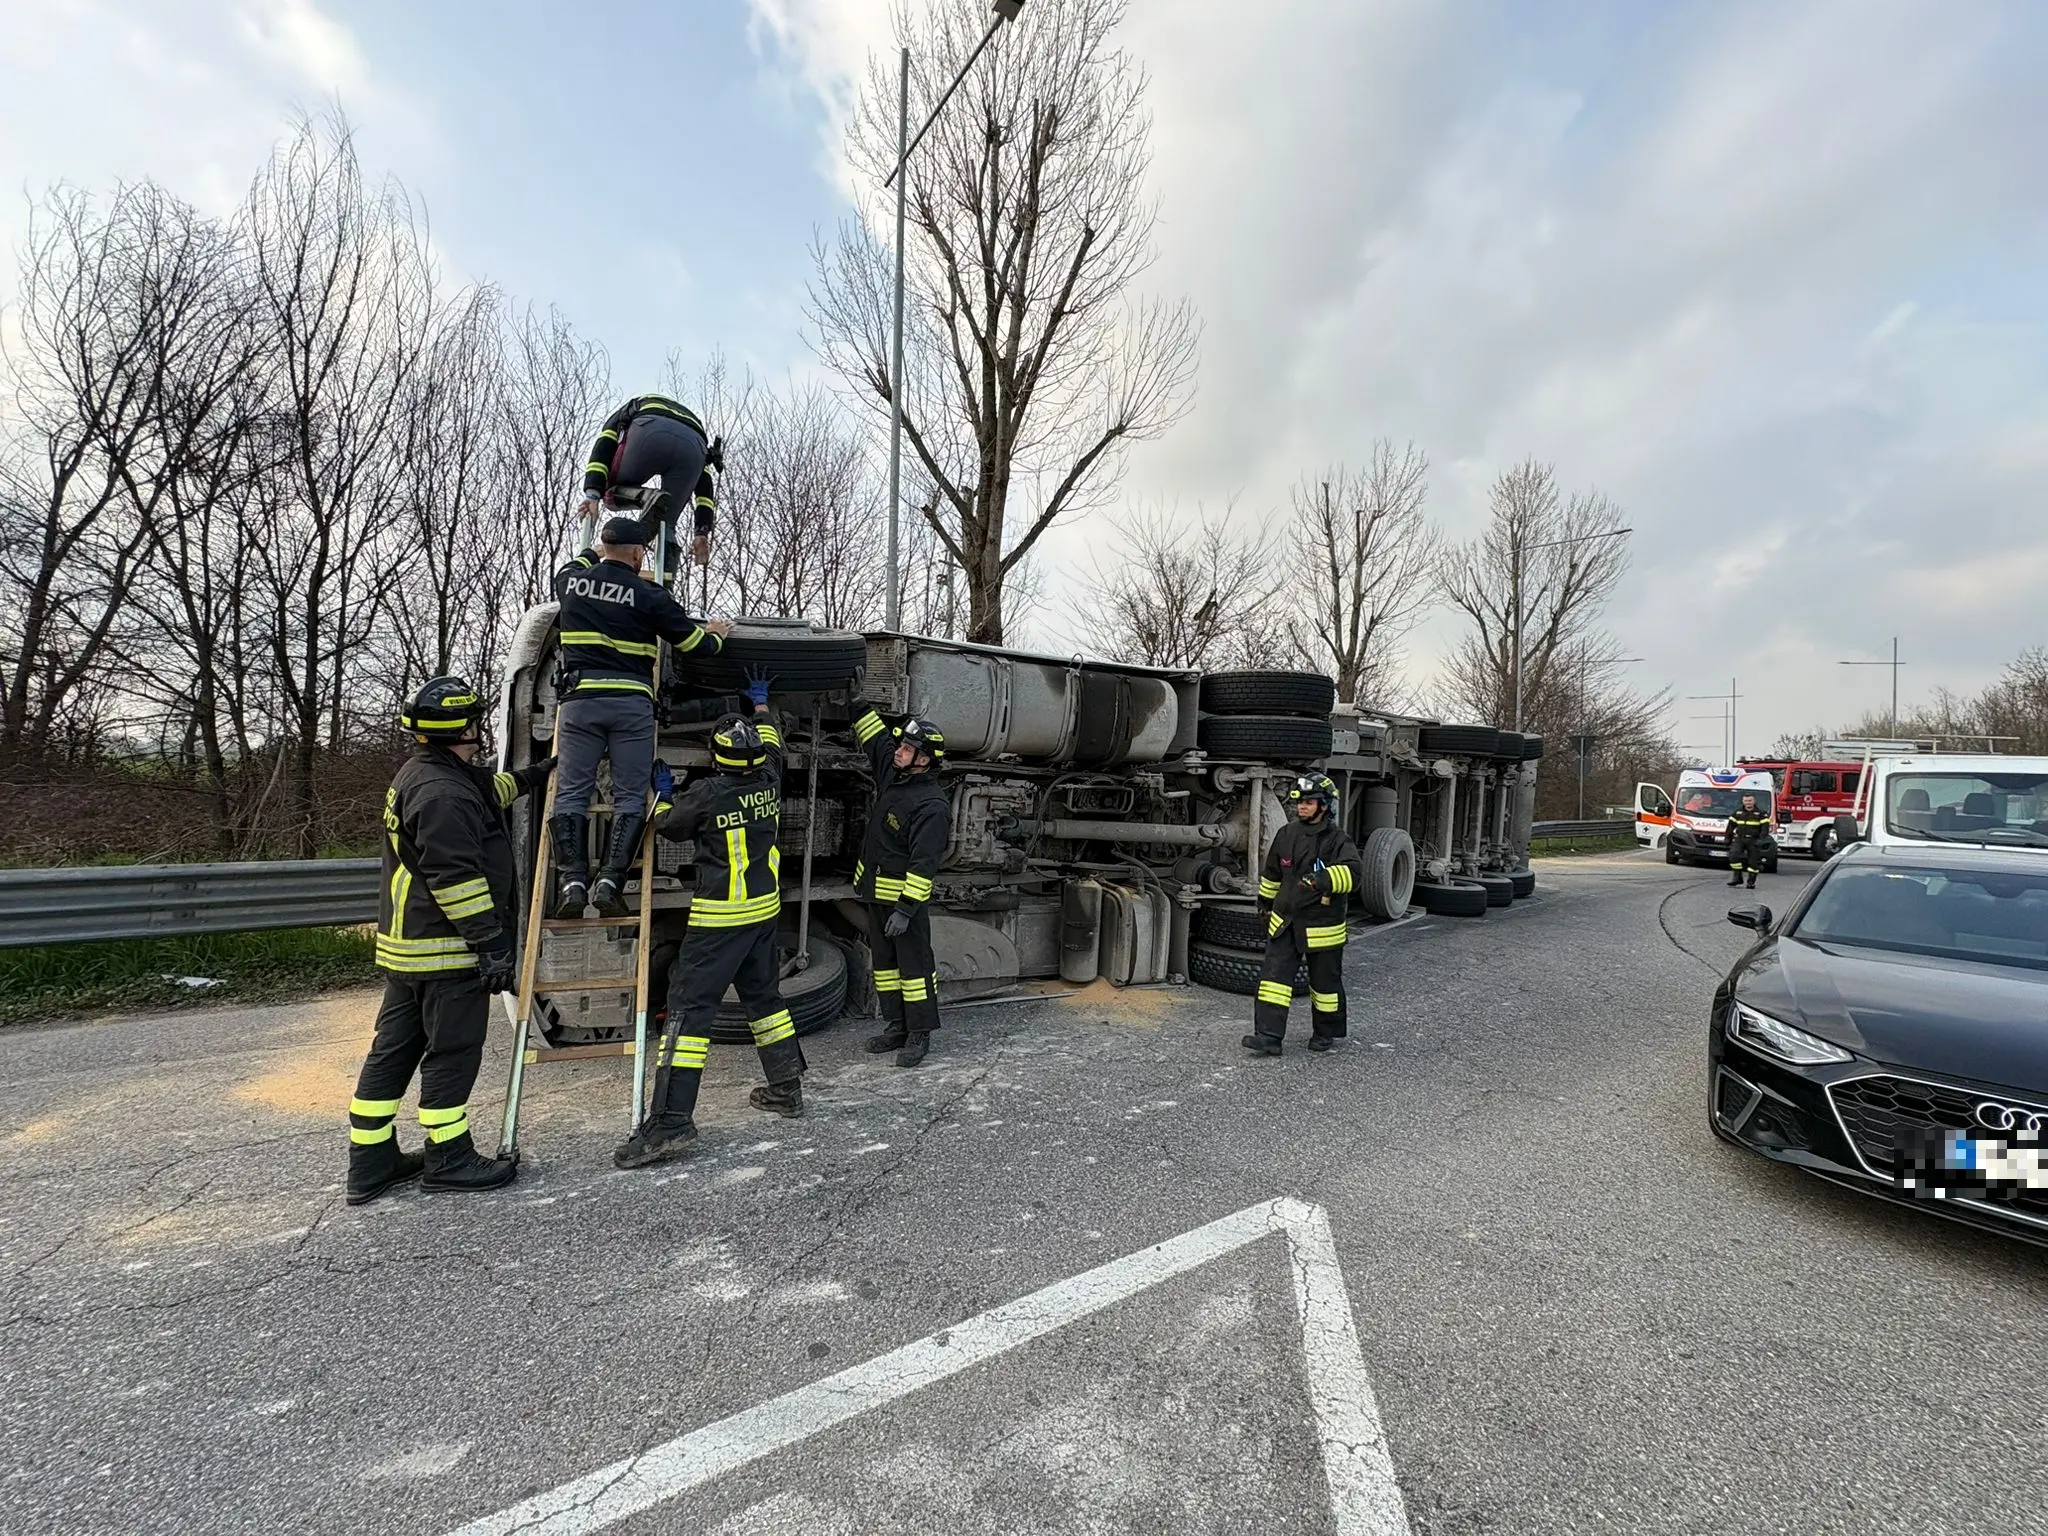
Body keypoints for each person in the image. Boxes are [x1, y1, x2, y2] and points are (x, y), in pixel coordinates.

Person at [347, 677, 553, 1203]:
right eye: (474, 726)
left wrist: (539, 774)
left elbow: (490, 791)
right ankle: (449, 1156)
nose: (479, 733)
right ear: (460, 729)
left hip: (409, 946)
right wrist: (490, 945)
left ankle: (371, 1160)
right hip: (446, 949)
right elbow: (455, 878)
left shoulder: (431, 774)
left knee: (393, 1051)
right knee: (453, 1050)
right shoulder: (442, 793)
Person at [614, 676, 805, 1169]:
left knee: (688, 1011)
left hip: (720, 919)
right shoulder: (770, 781)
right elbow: (775, 746)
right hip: (763, 914)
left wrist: (661, 793)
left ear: (717, 759)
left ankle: (672, 1123)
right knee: (765, 1001)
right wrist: (762, 706)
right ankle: (786, 1088)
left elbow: (668, 823)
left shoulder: (706, 795)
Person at [550, 517, 731, 920]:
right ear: (637, 554)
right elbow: (694, 644)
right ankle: (610, 882)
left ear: (605, 547)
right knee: (630, 796)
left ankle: (571, 883)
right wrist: (718, 632)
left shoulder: (570, 583)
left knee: (571, 794)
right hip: (630, 705)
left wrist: (590, 553)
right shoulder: (648, 594)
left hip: (580, 703)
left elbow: (572, 567)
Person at [848, 699, 950, 1067]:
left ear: (924, 759)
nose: (900, 752)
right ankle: (896, 1026)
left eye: (908, 748)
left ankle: (919, 1033)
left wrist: (906, 910)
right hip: (877, 895)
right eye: (903, 746)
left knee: (915, 970)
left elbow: (924, 865)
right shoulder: (895, 775)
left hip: (904, 905)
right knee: (887, 968)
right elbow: (877, 741)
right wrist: (857, 703)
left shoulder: (932, 806)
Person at [1243, 773, 1364, 1058]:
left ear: (1324, 806)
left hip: (1322, 926)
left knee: (1325, 986)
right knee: (1273, 981)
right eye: (1300, 802)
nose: (1302, 807)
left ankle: (1326, 1032)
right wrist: (1264, 902)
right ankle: (1268, 1037)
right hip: (1285, 921)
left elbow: (1355, 873)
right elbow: (1273, 873)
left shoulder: (1337, 840)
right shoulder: (1287, 834)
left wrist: (1326, 879)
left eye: (1309, 802)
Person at [578, 392, 721, 577]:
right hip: (695, 445)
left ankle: (647, 497)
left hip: (649, 428)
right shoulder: (696, 431)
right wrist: (701, 532)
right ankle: (666, 581)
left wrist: (593, 494)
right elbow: (704, 489)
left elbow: (603, 447)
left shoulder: (626, 410)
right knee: (666, 521)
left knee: (609, 494)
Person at [1727, 792, 1772, 889]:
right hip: (1740, 838)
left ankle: (1751, 882)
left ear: (1754, 801)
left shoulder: (1761, 813)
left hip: (1754, 840)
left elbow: (1765, 829)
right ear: (1743, 801)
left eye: (1750, 801)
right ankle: (1737, 877)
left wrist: (1761, 840)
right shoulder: (1737, 813)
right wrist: (1728, 839)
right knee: (1733, 856)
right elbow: (1730, 827)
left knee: (1753, 862)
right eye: (1746, 801)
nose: (1748, 803)